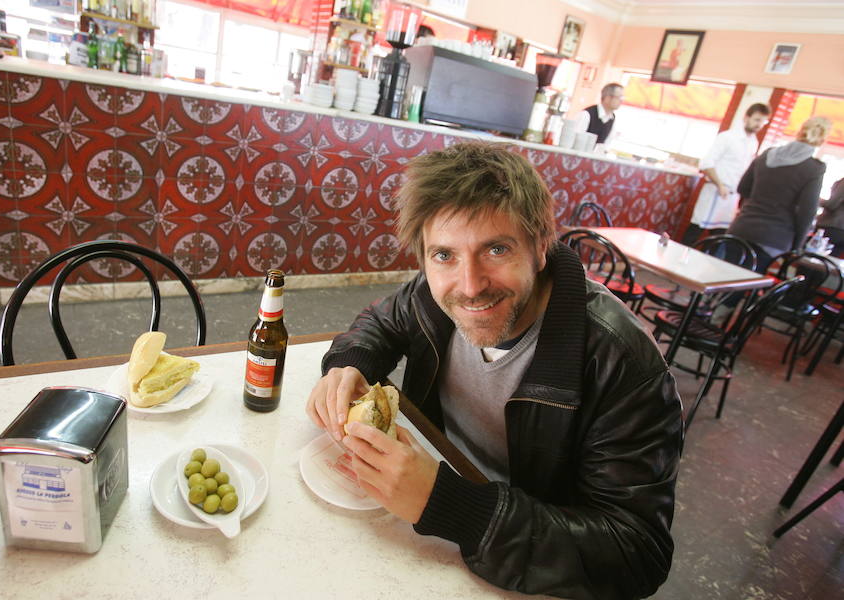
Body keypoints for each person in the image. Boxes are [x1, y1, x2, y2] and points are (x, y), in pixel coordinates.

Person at [305, 142, 683, 599]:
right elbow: (381, 323)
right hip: (422, 507)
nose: (469, 285)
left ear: (541, 246)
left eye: (497, 249)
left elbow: (635, 553)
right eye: (443, 255)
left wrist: (452, 506)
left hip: (511, 555)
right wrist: (349, 364)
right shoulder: (432, 290)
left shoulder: (623, 363)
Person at [726, 115, 832, 273]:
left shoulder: (766, 155)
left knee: (723, 278)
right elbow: (807, 212)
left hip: (741, 227)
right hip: (774, 238)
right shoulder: (814, 168)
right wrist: (796, 247)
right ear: (822, 139)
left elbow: (743, 188)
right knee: (743, 285)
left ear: (799, 132)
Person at [681, 103, 772, 246]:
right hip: (715, 191)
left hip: (732, 196)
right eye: (756, 120)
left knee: (719, 238)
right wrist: (720, 184)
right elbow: (706, 163)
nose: (759, 125)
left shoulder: (753, 142)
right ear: (746, 117)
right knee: (695, 230)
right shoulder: (727, 137)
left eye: (763, 122)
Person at [817, 177, 844, 257]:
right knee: (830, 263)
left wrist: (815, 199)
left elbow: (832, 205)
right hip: (841, 232)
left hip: (832, 227)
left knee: (813, 257)